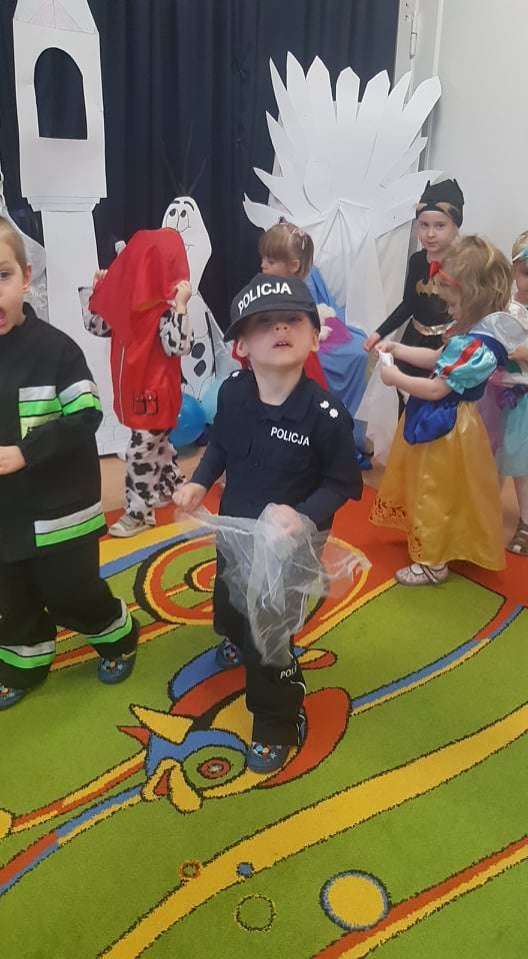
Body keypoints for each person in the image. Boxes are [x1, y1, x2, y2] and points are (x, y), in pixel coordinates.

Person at [174, 274, 362, 772]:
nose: (280, 328)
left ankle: (277, 719)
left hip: (288, 549)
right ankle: (234, 635)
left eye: (293, 319)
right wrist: (200, 481)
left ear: (314, 337)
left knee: (269, 637)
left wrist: (303, 517)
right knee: (230, 601)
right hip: (235, 530)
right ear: (240, 345)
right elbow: (221, 444)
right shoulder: (233, 393)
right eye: (264, 323)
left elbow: (343, 483)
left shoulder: (327, 415)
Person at [0, 216, 139, 710]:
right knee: (11, 597)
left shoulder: (56, 350)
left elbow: (86, 413)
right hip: (6, 516)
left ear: (25, 278)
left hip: (59, 509)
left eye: (2, 276)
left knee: (70, 591)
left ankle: (115, 631)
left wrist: (27, 451)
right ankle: (25, 660)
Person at [370, 235, 526, 586]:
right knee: (445, 489)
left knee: (434, 490)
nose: (449, 311)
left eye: (453, 305)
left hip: (447, 427)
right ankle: (444, 543)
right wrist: (400, 349)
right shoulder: (474, 336)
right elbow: (437, 359)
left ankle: (431, 562)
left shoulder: (477, 346)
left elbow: (436, 388)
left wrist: (395, 377)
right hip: (448, 422)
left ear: (473, 299)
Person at [83, 229, 193, 537]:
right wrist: (99, 291)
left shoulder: (163, 314)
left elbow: (179, 345)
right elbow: (96, 326)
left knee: (140, 453)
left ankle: (139, 512)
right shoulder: (125, 308)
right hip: (135, 396)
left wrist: (181, 307)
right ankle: (174, 486)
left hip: (156, 398)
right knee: (158, 446)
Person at [260, 220, 371, 467]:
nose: (263, 265)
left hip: (301, 355)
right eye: (264, 258)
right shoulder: (268, 290)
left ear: (293, 265)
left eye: (270, 261)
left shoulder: (298, 292)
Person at [364, 179, 464, 394]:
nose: (430, 234)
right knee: (403, 390)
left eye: (440, 226)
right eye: (424, 225)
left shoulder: (463, 265)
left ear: (456, 227)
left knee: (433, 396)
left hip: (444, 344)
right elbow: (409, 304)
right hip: (414, 340)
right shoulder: (417, 260)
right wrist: (380, 332)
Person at [485, 231, 528, 554]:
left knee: (521, 464)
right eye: (526, 272)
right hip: (495, 396)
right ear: (514, 270)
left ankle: (526, 521)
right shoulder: (505, 309)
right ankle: (484, 515)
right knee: (489, 458)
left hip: (524, 401)